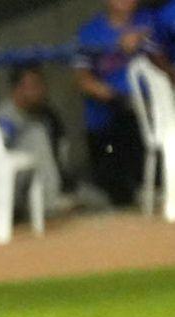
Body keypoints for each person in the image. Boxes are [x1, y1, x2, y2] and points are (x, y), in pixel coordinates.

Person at [73, 0, 163, 206]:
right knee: (120, 195)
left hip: (153, 111)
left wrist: (143, 36)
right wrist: (117, 96)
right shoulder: (90, 32)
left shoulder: (151, 21)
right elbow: (83, 80)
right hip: (110, 120)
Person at [0, 64, 70, 215]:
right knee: (35, 133)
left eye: (40, 85)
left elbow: (63, 155)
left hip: (40, 184)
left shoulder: (48, 115)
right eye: (33, 86)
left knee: (94, 199)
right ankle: (49, 203)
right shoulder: (4, 116)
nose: (40, 90)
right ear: (17, 89)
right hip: (6, 187)